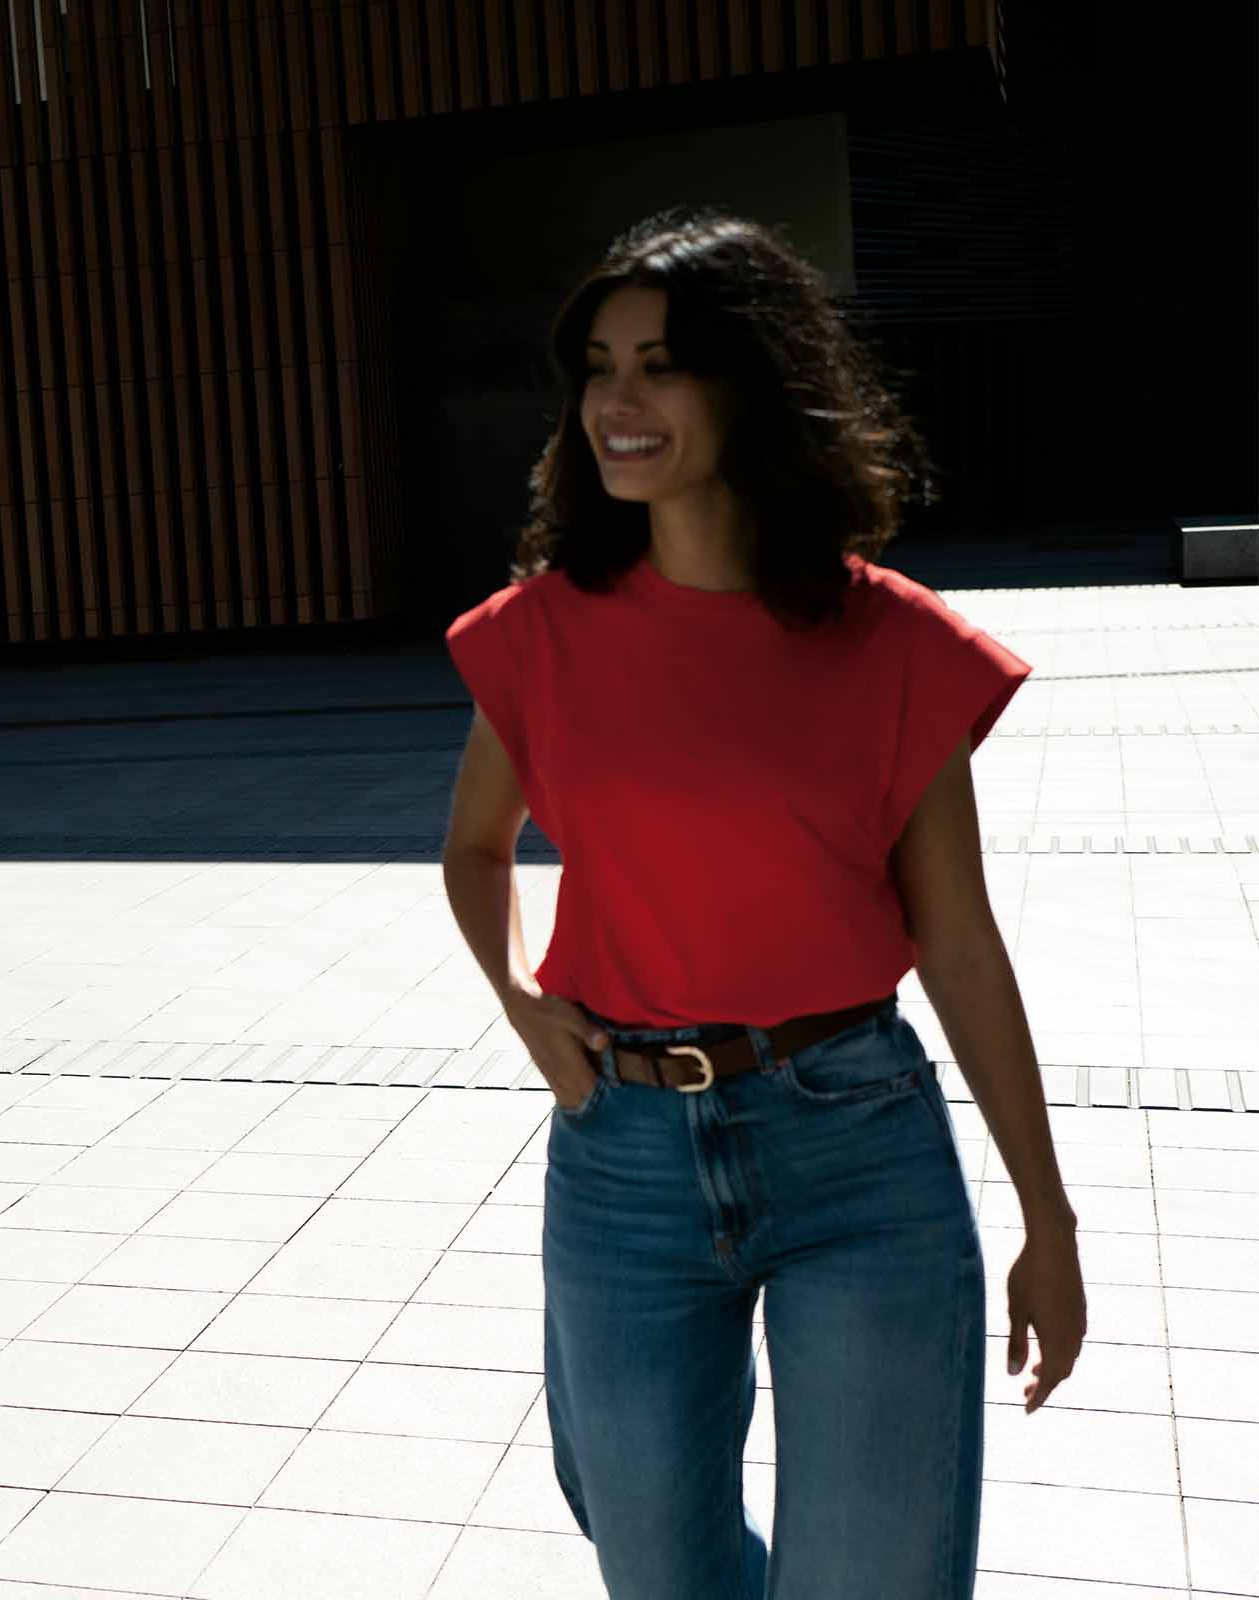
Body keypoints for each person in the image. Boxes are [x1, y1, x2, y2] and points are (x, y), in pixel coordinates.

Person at [438, 210, 1086, 1599]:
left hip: (857, 1145)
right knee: (655, 1567)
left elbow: (959, 943)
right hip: (620, 1158)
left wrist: (1050, 1213)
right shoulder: (543, 633)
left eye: (662, 363)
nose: (620, 400)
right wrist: (518, 999)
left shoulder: (890, 643)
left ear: (753, 383)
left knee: (870, 1578)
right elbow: (476, 851)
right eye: (599, 366)